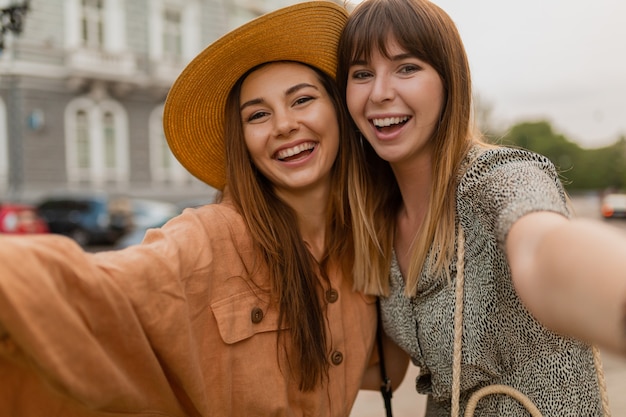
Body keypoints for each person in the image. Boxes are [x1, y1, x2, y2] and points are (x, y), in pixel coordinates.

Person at [0, 2, 402, 416]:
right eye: (258, 114)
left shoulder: (366, 243)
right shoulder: (208, 238)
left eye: (302, 100)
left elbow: (383, 370)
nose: (283, 125)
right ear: (242, 140)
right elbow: (101, 289)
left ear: (338, 110)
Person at [336, 0, 626, 415]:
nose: (380, 93)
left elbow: (542, 250)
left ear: (449, 81)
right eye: (362, 74)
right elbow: (386, 369)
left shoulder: (498, 179)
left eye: (407, 67)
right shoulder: (377, 221)